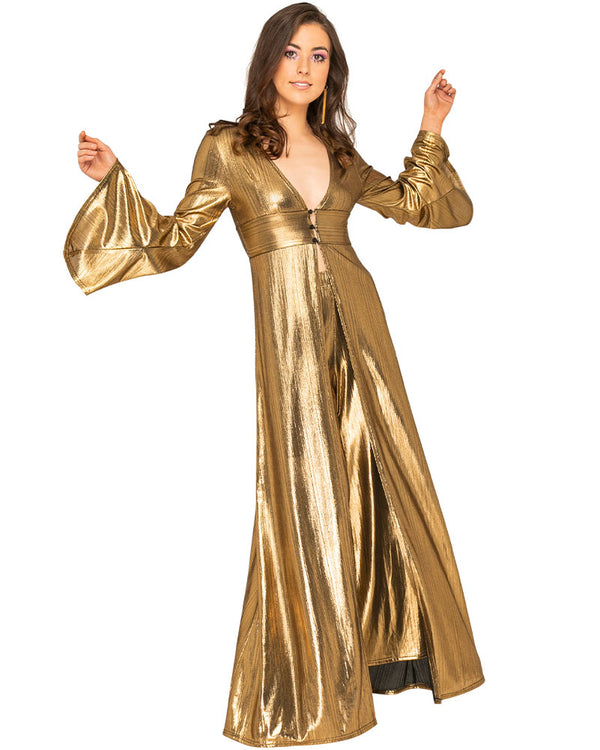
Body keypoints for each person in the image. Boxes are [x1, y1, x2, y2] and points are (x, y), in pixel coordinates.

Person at [65, 2, 484, 746]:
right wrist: (113, 179)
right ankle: (311, 687)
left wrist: (431, 124)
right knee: (304, 497)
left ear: (331, 72)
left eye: (319, 57)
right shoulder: (228, 147)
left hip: (364, 334)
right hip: (289, 343)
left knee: (385, 480)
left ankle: (394, 649)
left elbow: (425, 207)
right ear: (268, 61)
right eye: (292, 52)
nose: (304, 67)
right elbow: (173, 240)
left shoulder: (341, 154)